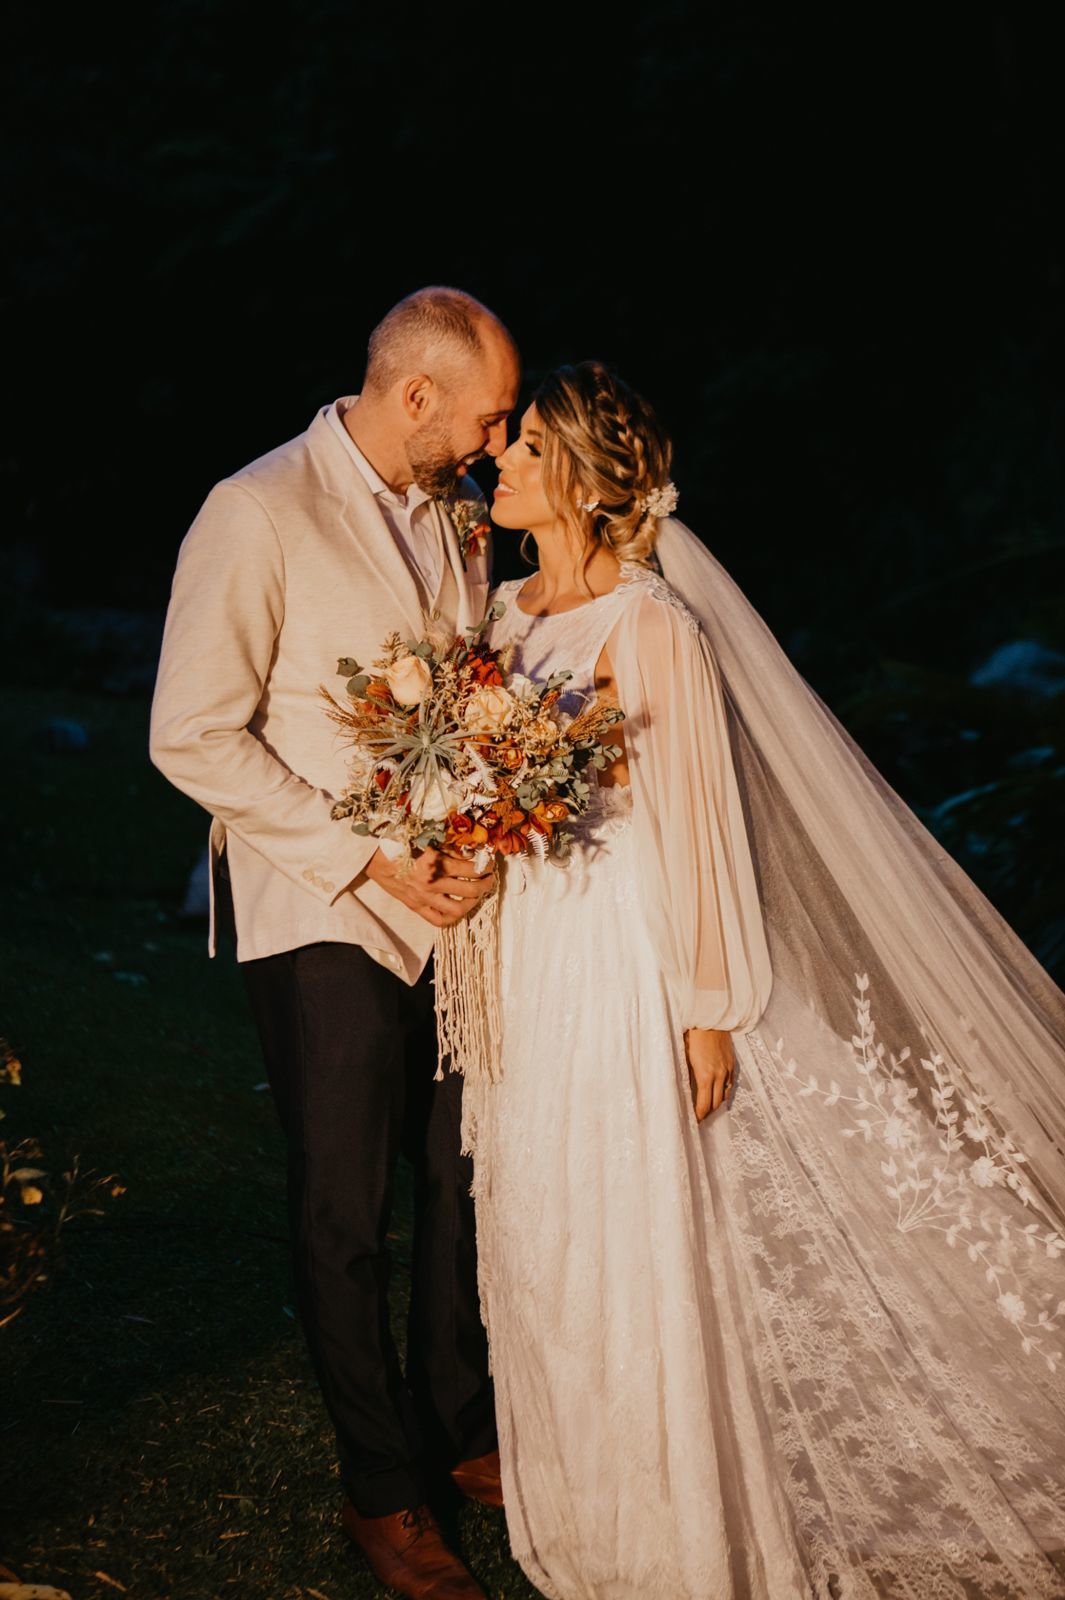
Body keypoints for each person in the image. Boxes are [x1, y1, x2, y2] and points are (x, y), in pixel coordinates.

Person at [463, 360, 1065, 1599]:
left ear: (576, 476)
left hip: (624, 953)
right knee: (541, 1207)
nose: (501, 462)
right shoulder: (500, 613)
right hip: (527, 948)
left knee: (634, 1215)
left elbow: (700, 822)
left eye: (525, 447)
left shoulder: (651, 625)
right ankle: (580, 1478)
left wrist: (707, 1006)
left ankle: (665, 1503)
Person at [150, 286, 520, 1600]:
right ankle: (381, 1489)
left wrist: (477, 829)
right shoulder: (253, 512)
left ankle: (457, 1428)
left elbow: (466, 700)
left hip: (452, 908)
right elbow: (189, 732)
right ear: (412, 395)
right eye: (479, 420)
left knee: (455, 1182)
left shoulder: (458, 521)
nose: (490, 445)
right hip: (321, 908)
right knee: (343, 1208)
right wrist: (366, 858)